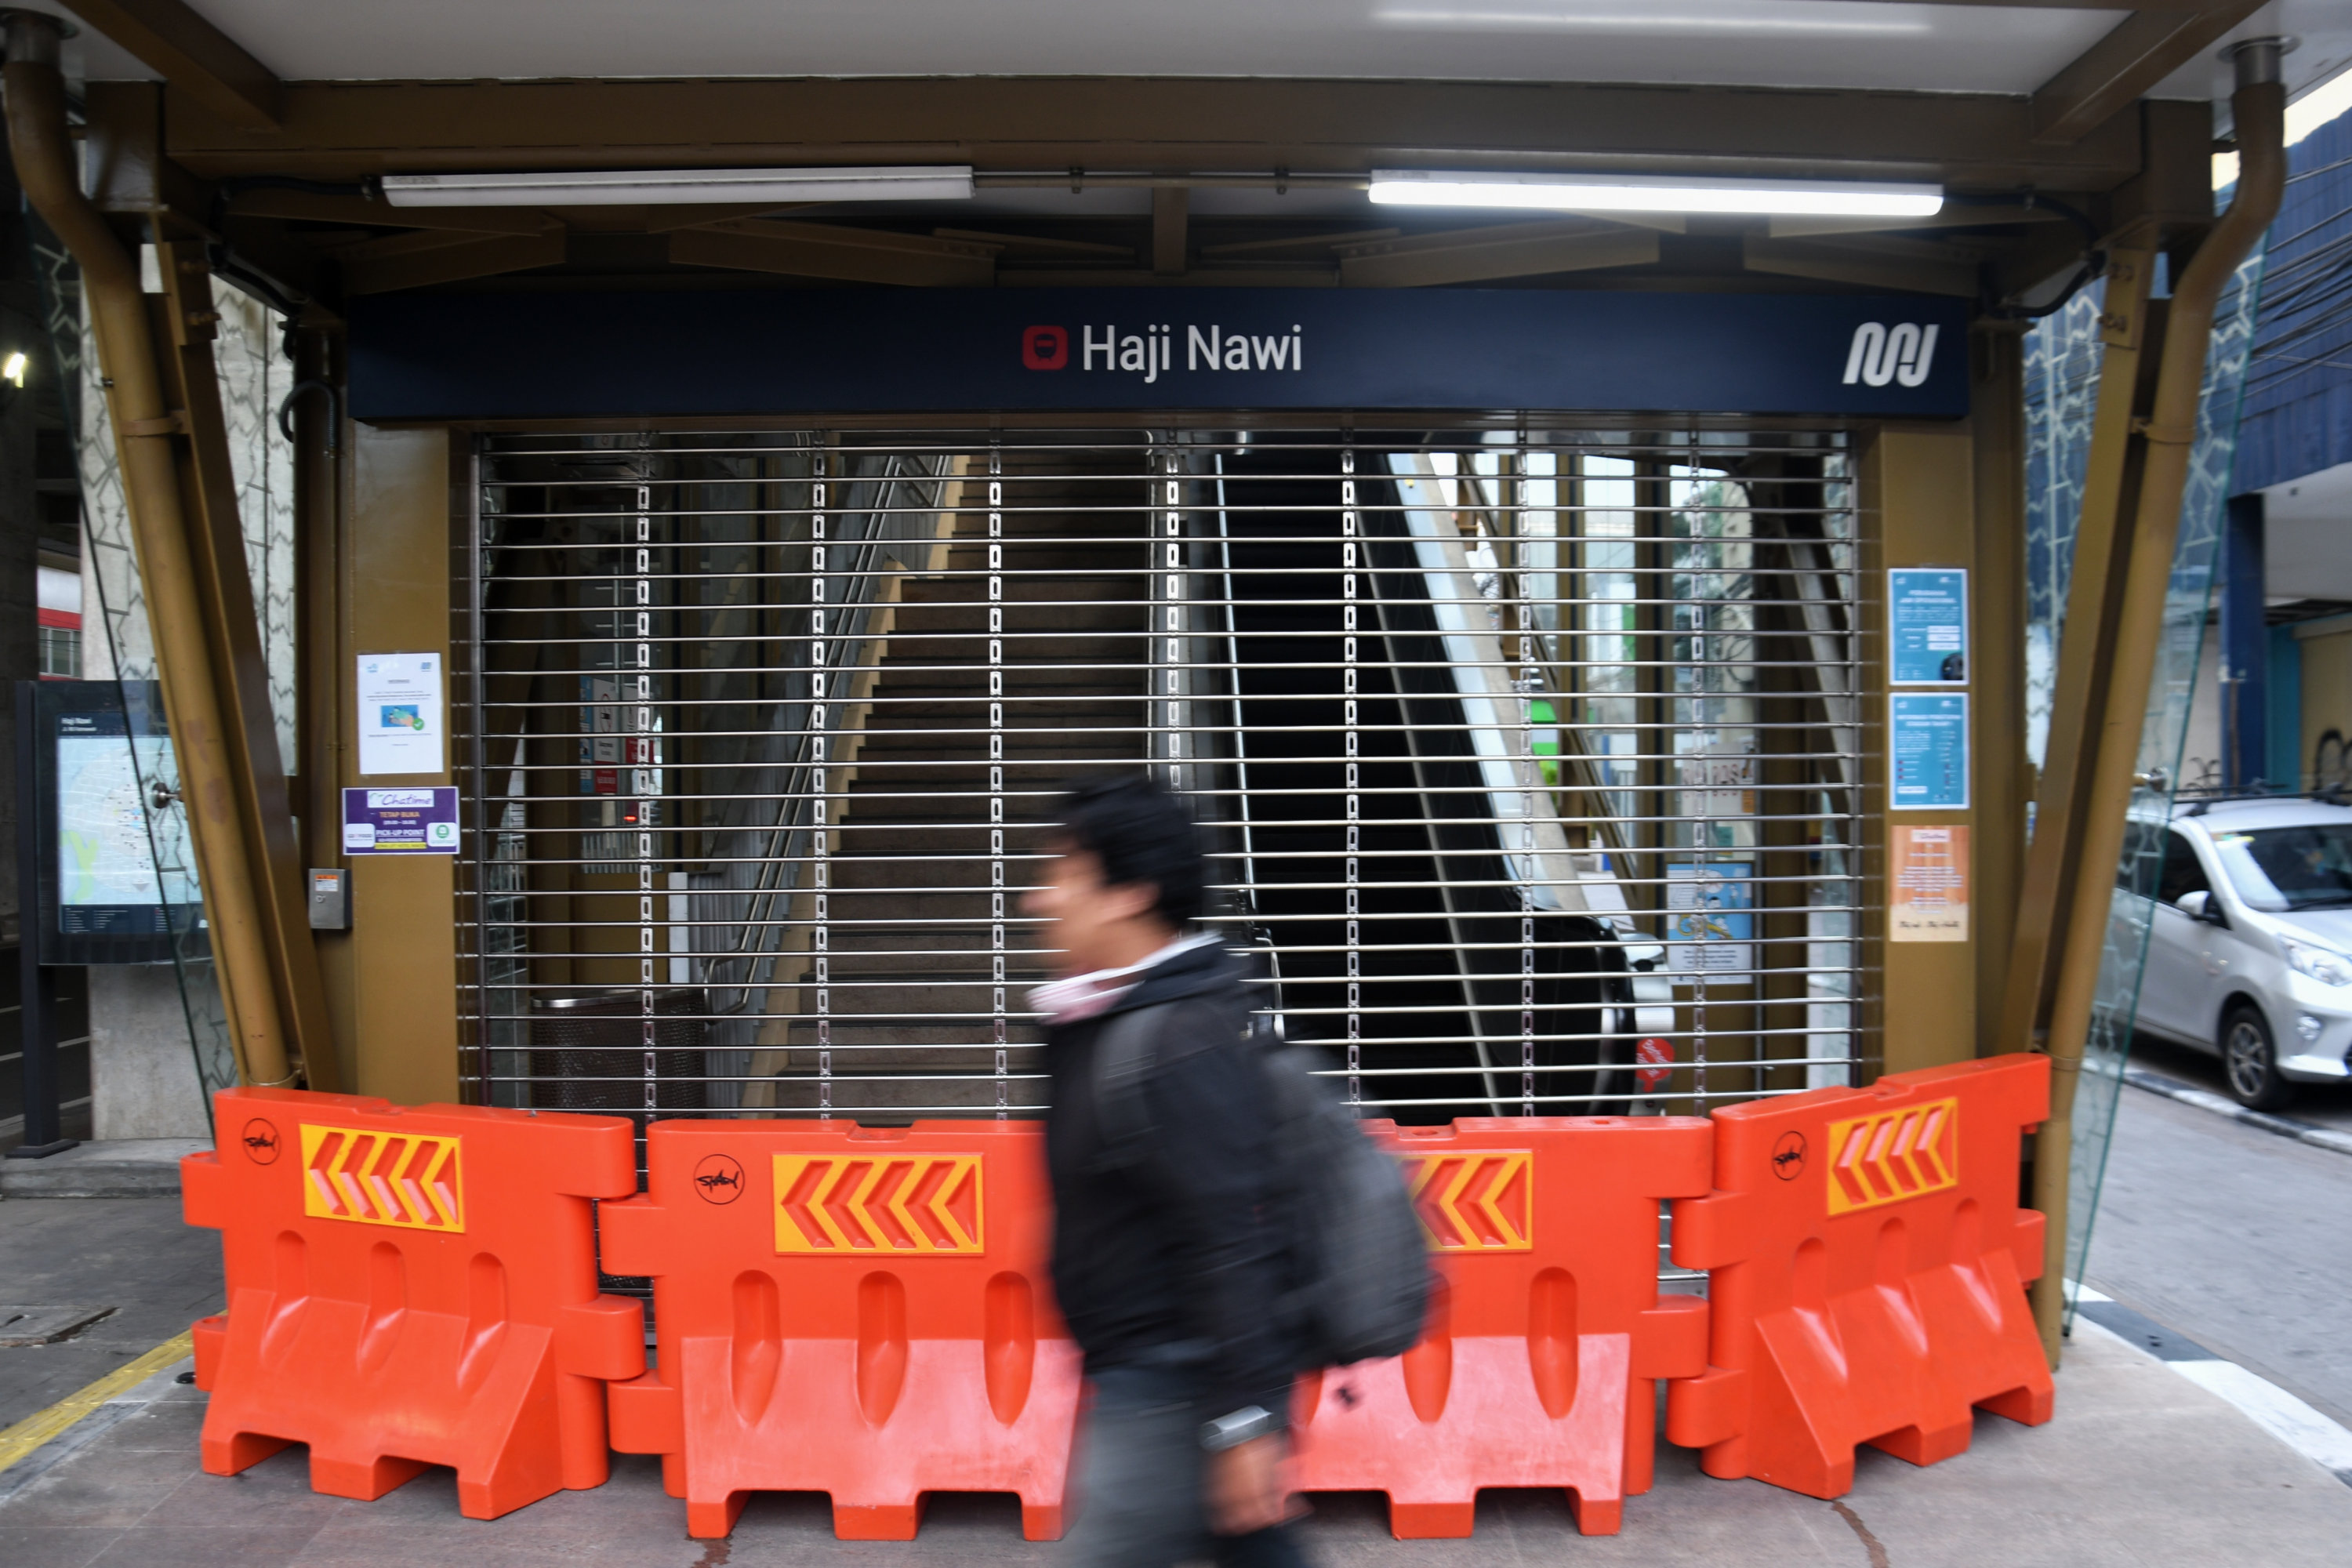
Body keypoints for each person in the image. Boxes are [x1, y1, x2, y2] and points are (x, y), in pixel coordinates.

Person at [1023, 773, 1309, 1568]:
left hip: (1175, 1382)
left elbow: (1232, 1233)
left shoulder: (1177, 1037)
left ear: (1131, 892)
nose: (1040, 899)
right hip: (1155, 1372)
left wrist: (1244, 1421)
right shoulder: (1110, 1014)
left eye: (1066, 872)